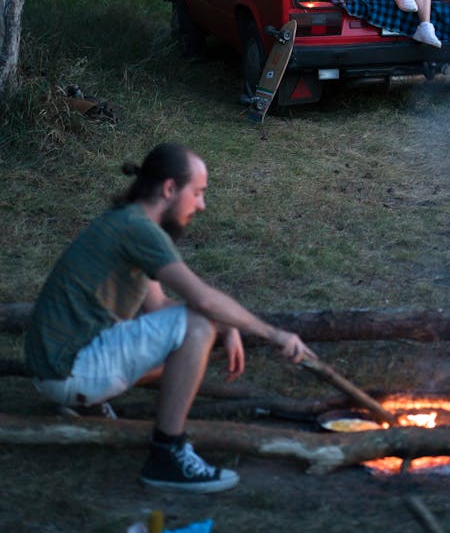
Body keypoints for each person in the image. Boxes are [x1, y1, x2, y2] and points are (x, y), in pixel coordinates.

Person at [25, 143, 314, 495]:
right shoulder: (140, 229)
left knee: (195, 330)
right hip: (68, 368)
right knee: (198, 324)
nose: (201, 205)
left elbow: (158, 305)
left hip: (53, 367)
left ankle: (85, 406)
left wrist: (227, 324)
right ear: (169, 189)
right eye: (198, 192)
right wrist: (275, 334)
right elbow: (202, 299)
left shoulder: (126, 222)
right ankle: (168, 453)